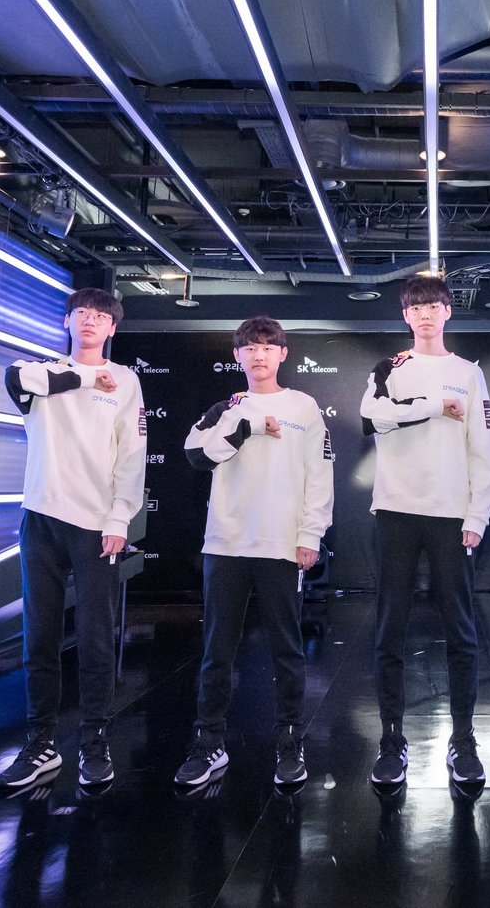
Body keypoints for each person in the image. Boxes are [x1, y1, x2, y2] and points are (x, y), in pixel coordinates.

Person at [176, 316, 335, 789]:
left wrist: (310, 534)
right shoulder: (226, 408)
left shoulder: (303, 407)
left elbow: (319, 473)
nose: (258, 355)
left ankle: (289, 743)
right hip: (226, 543)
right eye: (249, 348)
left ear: (282, 354)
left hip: (281, 543)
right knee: (216, 652)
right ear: (237, 356)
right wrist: (245, 427)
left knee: (287, 650)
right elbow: (194, 454)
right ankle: (209, 743)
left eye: (267, 347)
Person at [0, 288, 146, 790]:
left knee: (95, 636)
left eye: (101, 316)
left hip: (95, 523)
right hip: (40, 518)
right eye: (81, 313)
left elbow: (132, 454)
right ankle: (40, 744)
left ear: (112, 329)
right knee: (39, 636)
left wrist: (120, 519)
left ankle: (94, 740)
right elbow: (15, 378)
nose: (90, 321)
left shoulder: (125, 381)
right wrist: (85, 376)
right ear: (67, 321)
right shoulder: (41, 371)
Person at [359, 275, 490, 787]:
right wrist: (434, 407)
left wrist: (477, 515)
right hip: (395, 511)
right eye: (415, 307)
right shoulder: (388, 368)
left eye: (433, 306)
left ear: (447, 312)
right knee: (388, 631)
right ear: (405, 315)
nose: (424, 314)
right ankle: (392, 739)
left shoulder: (468, 373)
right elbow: (371, 417)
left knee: (462, 632)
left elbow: (482, 449)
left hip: (450, 514)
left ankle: (463, 738)